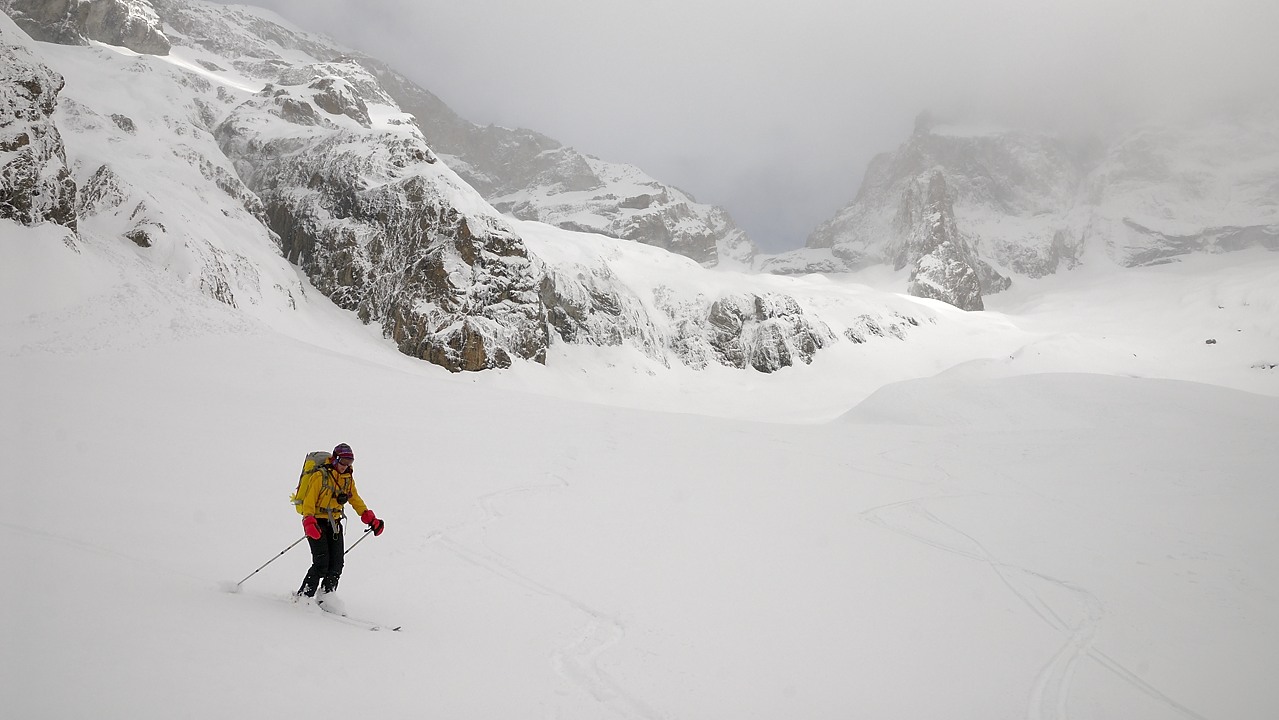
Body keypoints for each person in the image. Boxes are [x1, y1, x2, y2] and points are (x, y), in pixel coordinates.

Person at [296, 443, 385, 599]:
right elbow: (309, 501)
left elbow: (355, 499)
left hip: (335, 523)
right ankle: (304, 597)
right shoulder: (320, 476)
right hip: (317, 522)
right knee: (321, 563)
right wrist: (309, 522)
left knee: (337, 564)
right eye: (343, 462)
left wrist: (369, 518)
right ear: (335, 459)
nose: (346, 466)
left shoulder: (347, 478)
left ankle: (327, 598)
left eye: (349, 463)